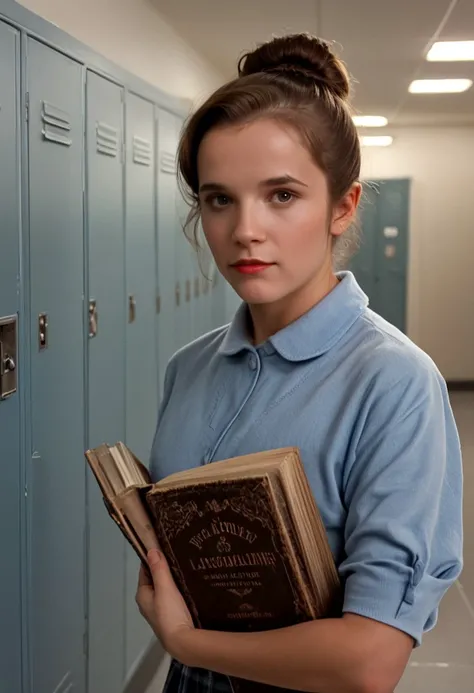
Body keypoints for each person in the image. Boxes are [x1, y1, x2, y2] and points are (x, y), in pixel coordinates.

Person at [135, 33, 463, 693]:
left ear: (343, 206)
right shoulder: (188, 367)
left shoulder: (394, 382)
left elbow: (370, 661)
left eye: (281, 195)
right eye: (219, 198)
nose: (244, 230)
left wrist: (185, 640)